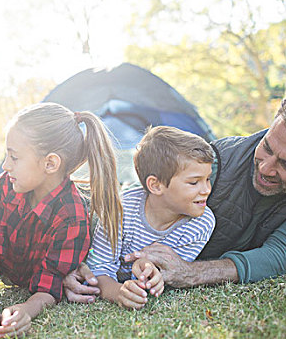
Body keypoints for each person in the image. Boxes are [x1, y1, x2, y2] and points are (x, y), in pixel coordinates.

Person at [64, 89, 286, 301]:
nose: (265, 168)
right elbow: (126, 207)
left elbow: (281, 254)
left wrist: (191, 272)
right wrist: (70, 262)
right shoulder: (219, 159)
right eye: (266, 146)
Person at [0, 102, 123, 337]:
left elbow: (49, 285)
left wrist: (26, 310)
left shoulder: (72, 217)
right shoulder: (6, 184)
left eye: (14, 157)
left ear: (50, 163)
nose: (5, 165)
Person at [86, 126, 215, 309]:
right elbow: (97, 266)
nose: (206, 190)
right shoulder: (120, 212)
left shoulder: (201, 224)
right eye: (194, 182)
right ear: (155, 185)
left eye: (207, 179)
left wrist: (152, 274)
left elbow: (171, 272)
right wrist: (117, 292)